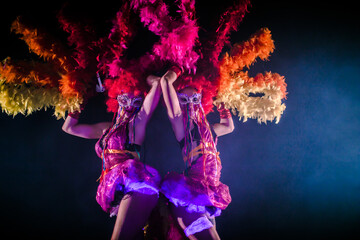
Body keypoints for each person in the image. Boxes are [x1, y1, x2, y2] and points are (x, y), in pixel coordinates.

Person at [62, 74, 162, 240]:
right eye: (125, 99)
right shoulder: (107, 128)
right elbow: (69, 128)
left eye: (135, 101)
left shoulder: (137, 124)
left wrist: (145, 78)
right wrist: (80, 99)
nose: (129, 105)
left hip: (137, 186)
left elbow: (157, 85)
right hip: (119, 189)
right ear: (117, 99)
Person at [159, 67, 234, 240]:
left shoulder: (208, 130)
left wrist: (222, 104)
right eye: (184, 100)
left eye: (194, 98)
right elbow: (165, 82)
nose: (190, 103)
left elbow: (228, 127)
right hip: (191, 195)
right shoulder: (181, 125)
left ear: (201, 100)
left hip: (208, 196)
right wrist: (178, 68)